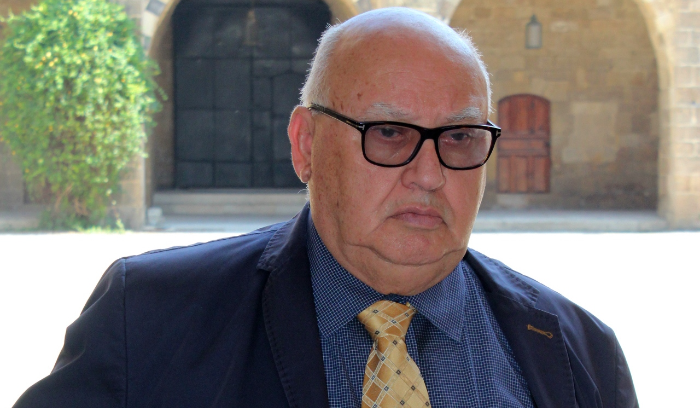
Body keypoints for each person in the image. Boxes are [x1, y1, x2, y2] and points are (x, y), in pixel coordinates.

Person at [14, 7, 638, 408]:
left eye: (460, 138)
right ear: (306, 145)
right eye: (388, 133)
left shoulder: (579, 353)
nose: (429, 174)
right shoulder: (149, 320)